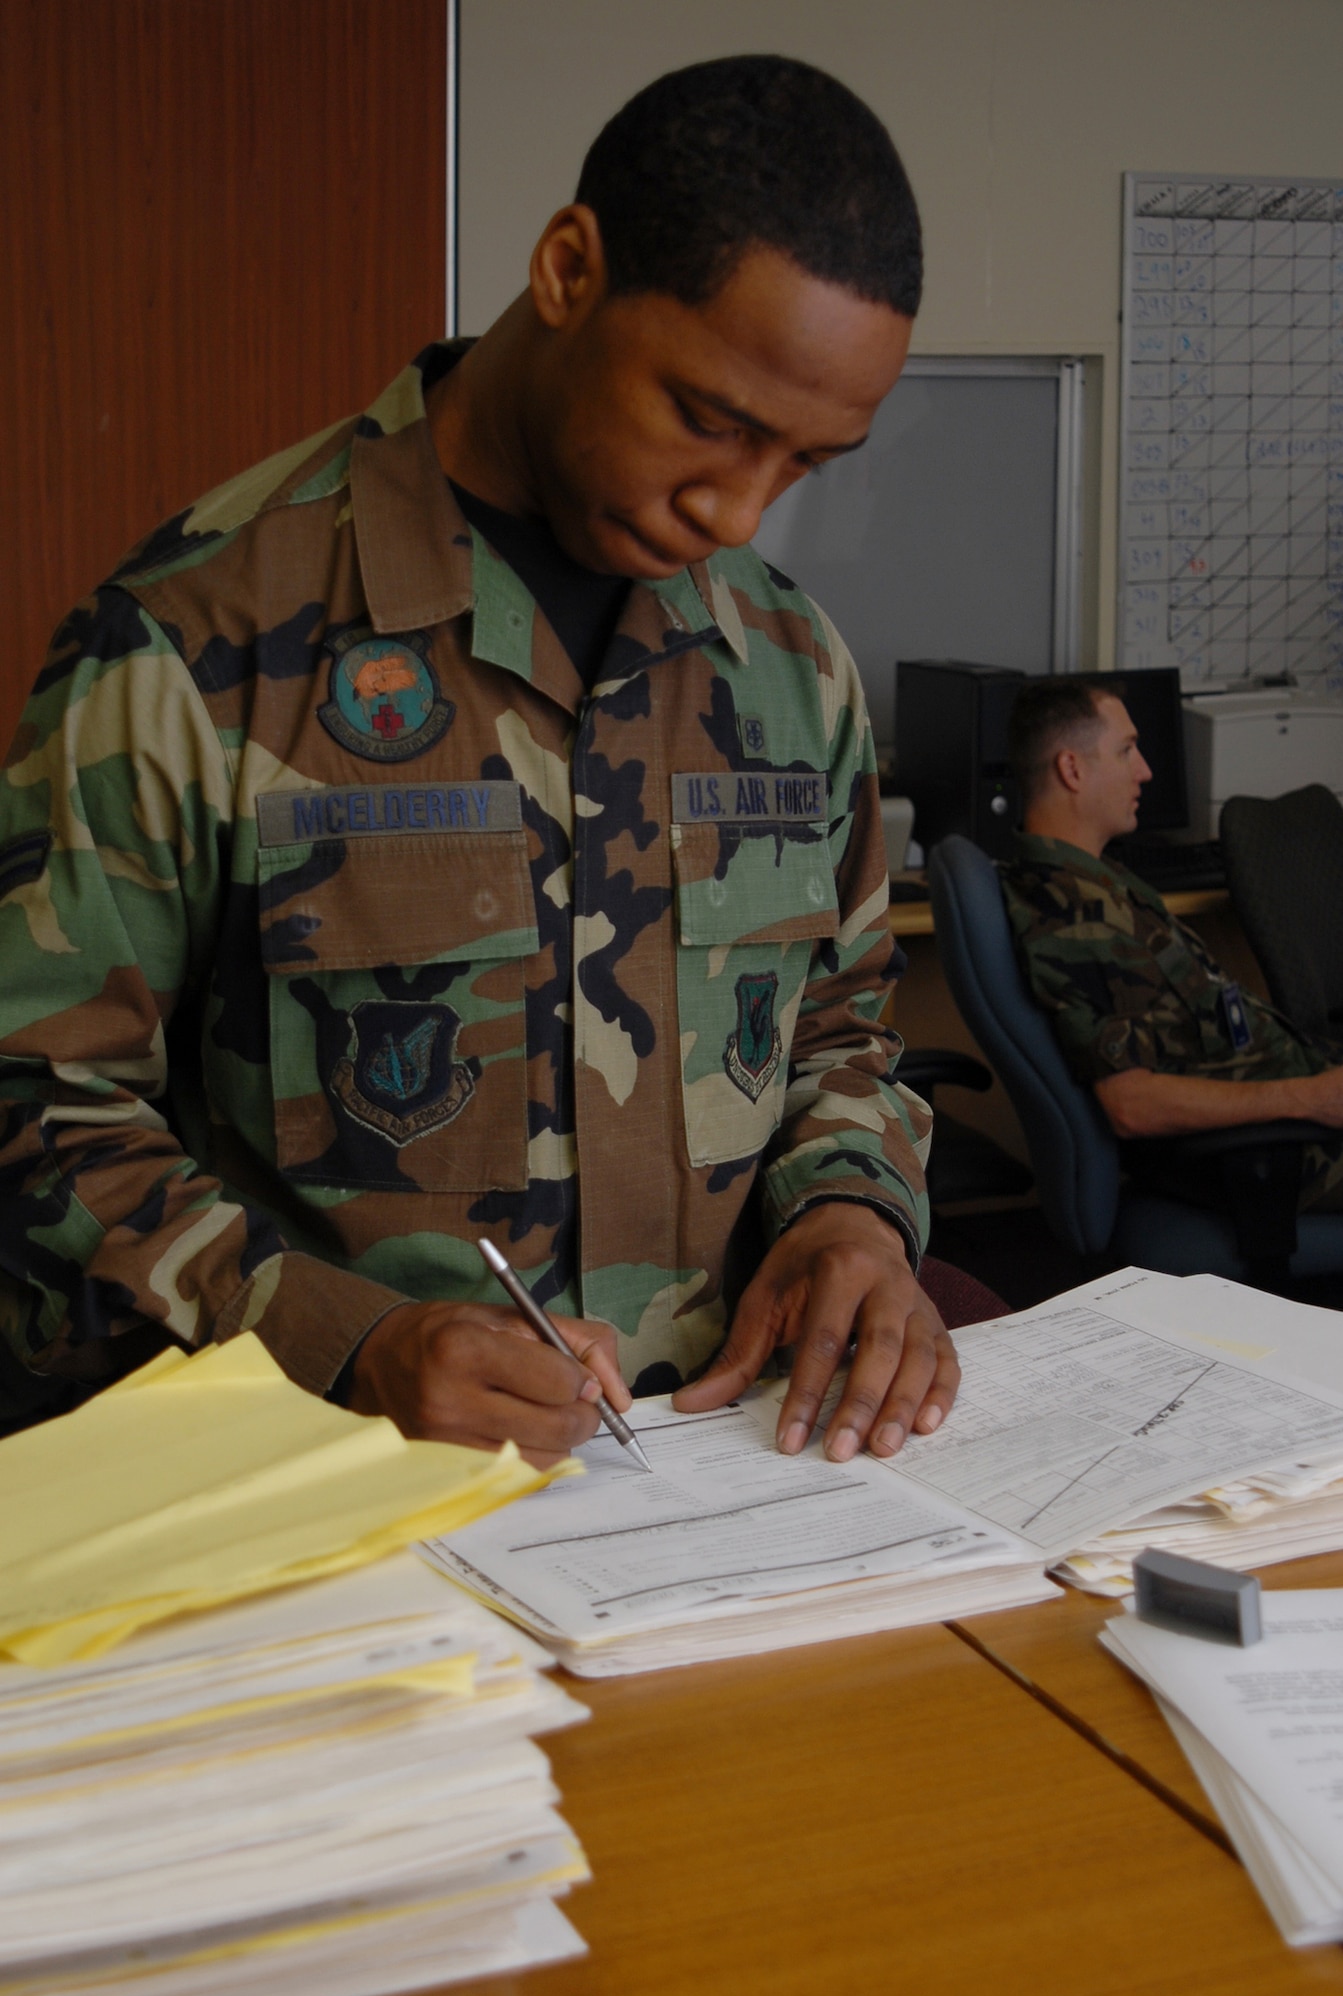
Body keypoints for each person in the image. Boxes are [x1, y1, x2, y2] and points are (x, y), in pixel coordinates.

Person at [0, 56, 961, 1464]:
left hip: (735, 1478)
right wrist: (353, 1340)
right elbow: (37, 1100)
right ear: (570, 269)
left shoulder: (782, 659)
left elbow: (840, 1021)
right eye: (707, 419)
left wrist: (849, 1212)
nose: (735, 506)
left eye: (803, 463)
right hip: (333, 1490)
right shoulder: (199, 638)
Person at [1002, 676, 1343, 1204]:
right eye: (1126, 751)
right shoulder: (1077, 919)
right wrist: (1311, 1098)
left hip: (1293, 1104)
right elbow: (1131, 1104)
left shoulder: (1096, 883)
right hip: (1273, 1153)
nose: (1145, 771)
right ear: (1072, 769)